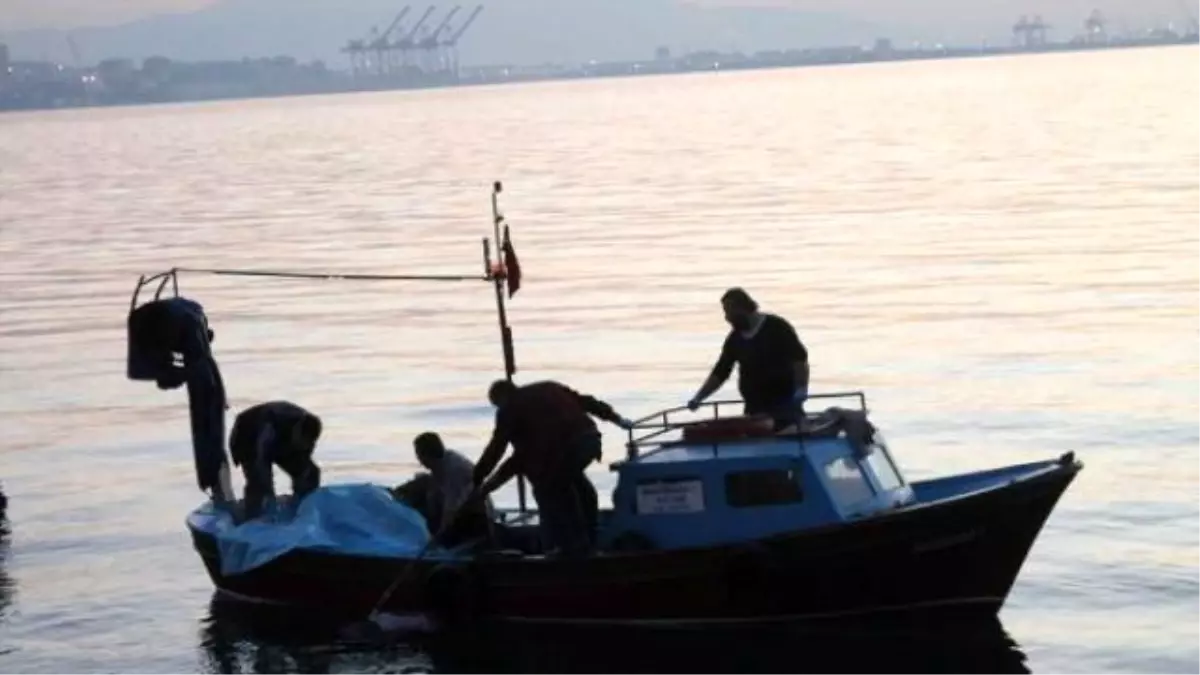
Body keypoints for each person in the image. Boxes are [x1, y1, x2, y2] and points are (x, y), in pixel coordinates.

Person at [472, 379, 634, 558]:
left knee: (550, 491)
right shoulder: (549, 387)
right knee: (575, 484)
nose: (499, 410)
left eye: (497, 405)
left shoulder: (509, 409)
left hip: (564, 448)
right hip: (590, 439)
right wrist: (615, 418)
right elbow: (586, 401)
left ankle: (575, 547)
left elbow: (498, 448)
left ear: (500, 398)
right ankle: (589, 538)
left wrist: (478, 476)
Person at [687, 288, 810, 427]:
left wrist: (801, 388)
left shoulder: (777, 327)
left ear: (743, 308)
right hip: (753, 406)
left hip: (784, 403)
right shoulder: (735, 339)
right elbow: (721, 372)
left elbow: (799, 358)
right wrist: (699, 398)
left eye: (729, 312)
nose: (727, 318)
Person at [228, 400, 323, 522]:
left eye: (306, 444)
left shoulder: (309, 432)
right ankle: (251, 518)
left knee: (310, 474)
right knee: (259, 483)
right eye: (300, 442)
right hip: (249, 436)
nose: (303, 446)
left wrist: (303, 482)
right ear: (296, 431)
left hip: (281, 443)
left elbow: (305, 464)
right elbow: (260, 460)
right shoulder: (270, 425)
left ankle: (300, 509)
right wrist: (268, 492)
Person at [413, 431, 495, 547]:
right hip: (459, 509)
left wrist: (437, 537)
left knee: (447, 533)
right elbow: (433, 496)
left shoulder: (455, 470)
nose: (419, 461)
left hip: (476, 517)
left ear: (426, 455)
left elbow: (450, 509)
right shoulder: (439, 465)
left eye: (419, 455)